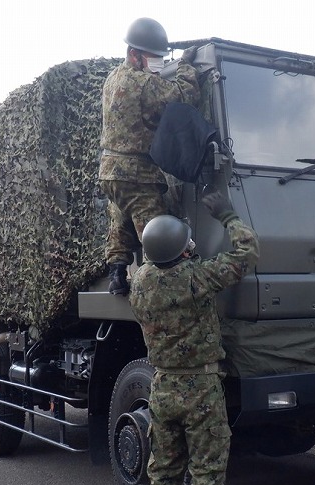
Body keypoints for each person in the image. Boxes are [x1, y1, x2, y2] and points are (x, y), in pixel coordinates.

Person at [128, 189, 259, 485]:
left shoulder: (141, 283)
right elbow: (246, 254)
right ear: (182, 250)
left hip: (163, 386)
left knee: (164, 470)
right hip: (200, 389)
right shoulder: (196, 277)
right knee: (206, 470)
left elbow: (158, 262)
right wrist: (229, 216)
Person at [101, 17, 201, 295]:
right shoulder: (142, 83)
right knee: (157, 231)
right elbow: (183, 95)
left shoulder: (112, 78)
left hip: (111, 169)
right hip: (136, 171)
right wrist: (185, 66)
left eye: (162, 58)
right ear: (134, 54)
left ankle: (118, 275)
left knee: (121, 214)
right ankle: (159, 290)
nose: (158, 62)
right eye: (154, 57)